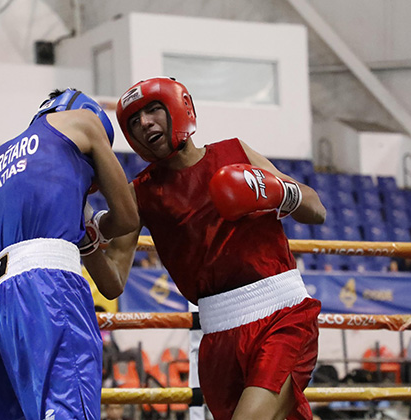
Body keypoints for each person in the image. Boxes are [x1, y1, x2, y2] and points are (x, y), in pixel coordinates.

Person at [95, 77, 326, 420]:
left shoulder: (235, 152)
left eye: (153, 109)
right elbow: (112, 282)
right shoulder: (139, 194)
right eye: (133, 121)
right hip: (218, 336)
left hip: (282, 317)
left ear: (179, 107)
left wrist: (274, 190)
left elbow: (316, 210)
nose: (144, 123)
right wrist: (87, 243)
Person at [0, 89, 138, 420]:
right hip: (52, 289)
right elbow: (127, 217)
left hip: (1, 302)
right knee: (70, 411)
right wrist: (94, 230)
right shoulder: (84, 122)